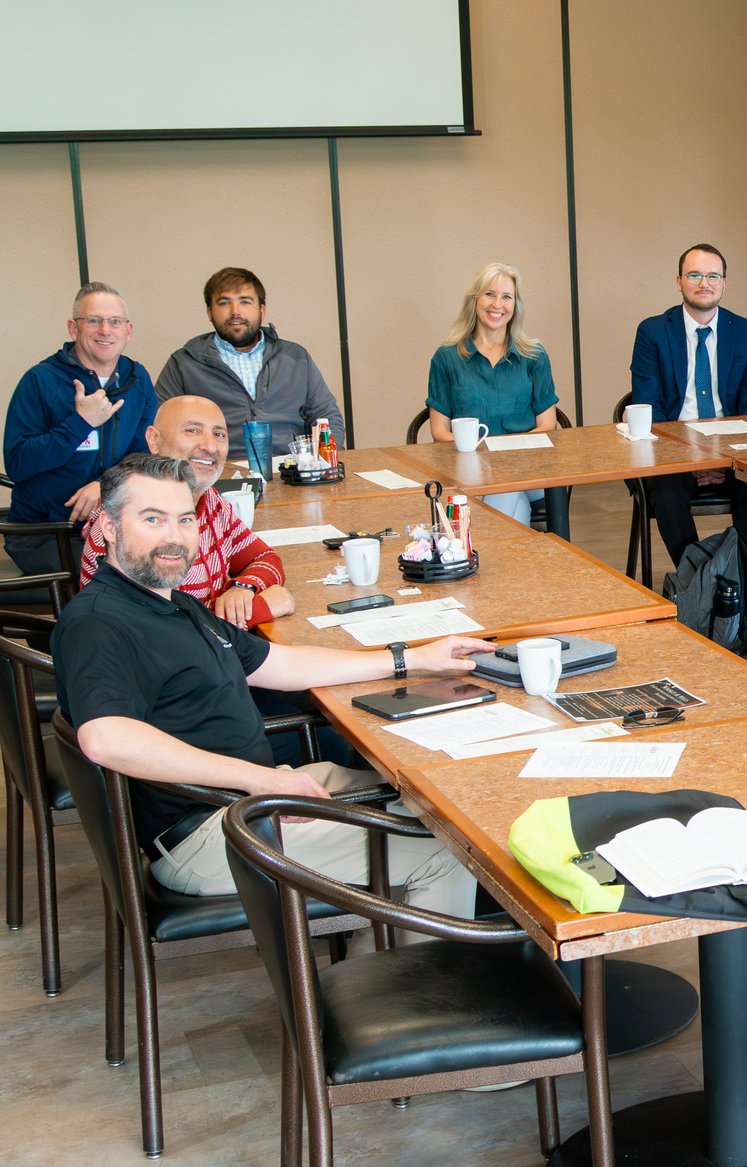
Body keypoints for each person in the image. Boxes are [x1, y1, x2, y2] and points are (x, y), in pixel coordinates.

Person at [52, 454, 487, 915]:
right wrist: (256, 779)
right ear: (108, 528)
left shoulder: (174, 604)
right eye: (152, 519)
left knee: (429, 801)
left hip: (247, 799)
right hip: (208, 832)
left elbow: (282, 665)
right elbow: (104, 738)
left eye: (184, 519)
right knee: (451, 851)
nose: (174, 537)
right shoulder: (99, 623)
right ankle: (408, 985)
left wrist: (412, 658)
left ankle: (380, 964)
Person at [629, 243, 747, 618]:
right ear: (679, 281)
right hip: (675, 455)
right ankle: (702, 587)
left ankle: (738, 590)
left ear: (724, 284)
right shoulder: (652, 332)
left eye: (712, 276)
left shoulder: (746, 332)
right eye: (694, 275)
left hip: (732, 455)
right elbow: (652, 411)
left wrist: (723, 461)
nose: (703, 283)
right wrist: (691, 459)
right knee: (668, 495)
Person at [79, 396, 294, 627]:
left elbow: (265, 558)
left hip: (213, 651)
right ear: (153, 439)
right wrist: (262, 608)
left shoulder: (210, 499)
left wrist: (243, 587)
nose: (210, 446)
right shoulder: (129, 516)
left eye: (219, 435)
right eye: (192, 430)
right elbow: (159, 630)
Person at [4, 283, 158, 575]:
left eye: (115, 322)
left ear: (128, 331)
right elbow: (18, 463)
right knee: (124, 581)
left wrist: (105, 484)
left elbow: (144, 455)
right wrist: (81, 423)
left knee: (180, 563)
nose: (105, 330)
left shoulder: (138, 379)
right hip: (50, 532)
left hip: (116, 526)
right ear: (73, 329)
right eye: (94, 321)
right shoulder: (40, 380)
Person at [155, 266, 346, 456]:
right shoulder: (183, 363)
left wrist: (323, 462)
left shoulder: (295, 357)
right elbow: (159, 426)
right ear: (209, 312)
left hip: (293, 468)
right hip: (217, 470)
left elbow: (327, 415)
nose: (235, 311)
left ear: (262, 310)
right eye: (223, 303)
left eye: (245, 302)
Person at [425, 263, 560, 525]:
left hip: (529, 470)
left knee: (507, 482)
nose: (497, 304)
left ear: (515, 306)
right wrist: (480, 456)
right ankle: (509, 562)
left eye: (506, 296)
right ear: (474, 300)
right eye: (489, 294)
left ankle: (477, 550)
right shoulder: (446, 358)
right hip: (470, 472)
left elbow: (548, 424)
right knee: (512, 499)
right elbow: (439, 432)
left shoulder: (534, 355)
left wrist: (507, 457)